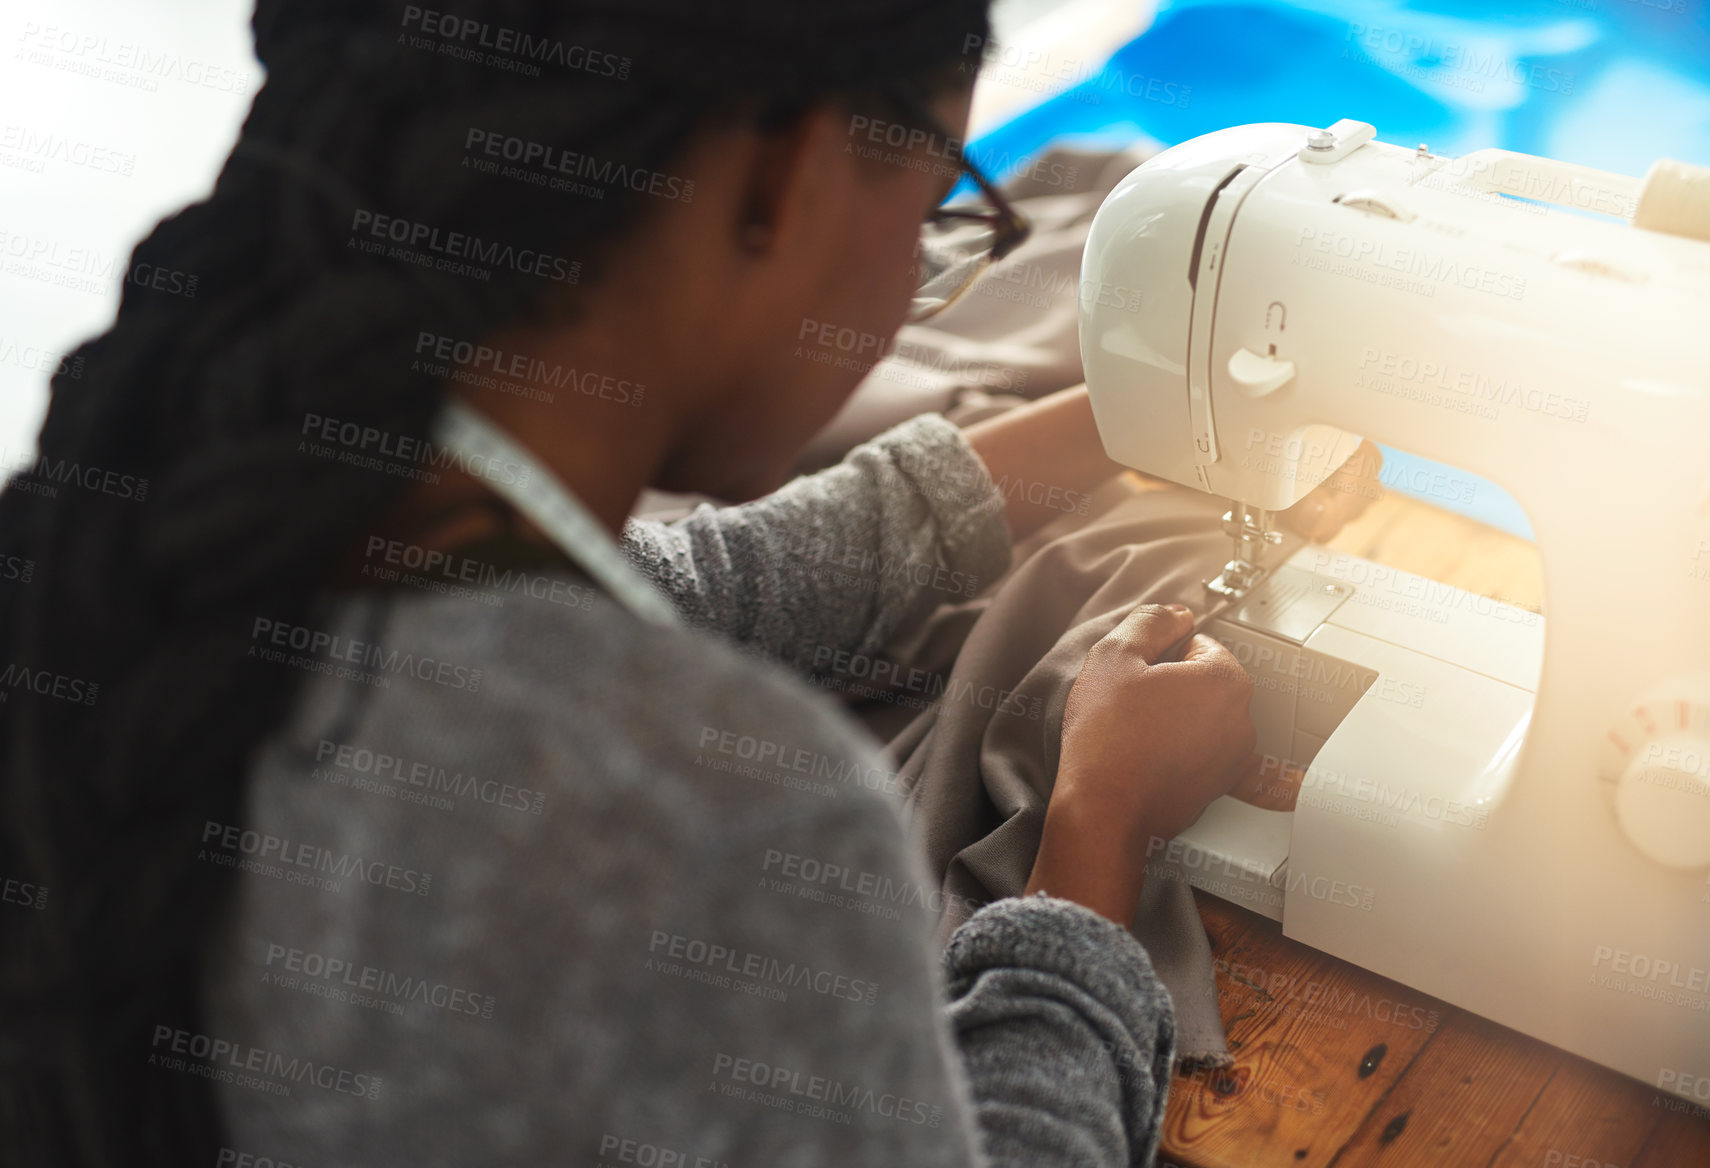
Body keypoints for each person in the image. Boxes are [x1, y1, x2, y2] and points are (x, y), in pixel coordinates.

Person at [0, 1, 1371, 1164]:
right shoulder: (710, 824)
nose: (923, 264)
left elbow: (667, 586)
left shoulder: (148, 512)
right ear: (779, 179)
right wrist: (1095, 832)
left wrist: (1145, 420)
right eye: (944, 196)